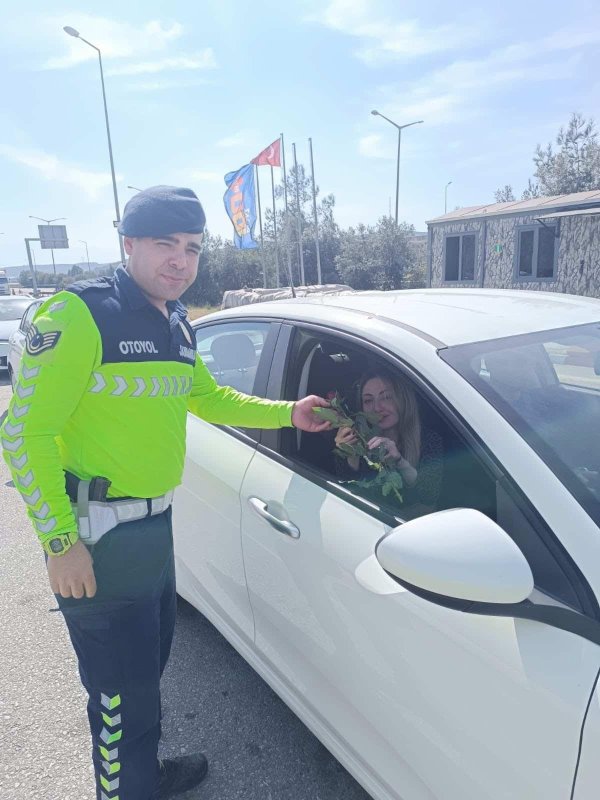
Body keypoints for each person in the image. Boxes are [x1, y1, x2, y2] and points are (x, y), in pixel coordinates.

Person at [0, 186, 331, 800]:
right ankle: (127, 788)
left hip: (154, 533)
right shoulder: (80, 315)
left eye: (193, 249)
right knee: (117, 699)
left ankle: (143, 776)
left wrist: (290, 412)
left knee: (146, 678)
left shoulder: (177, 320)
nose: (181, 261)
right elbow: (20, 433)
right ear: (128, 245)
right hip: (97, 540)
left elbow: (206, 397)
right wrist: (59, 541)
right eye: (164, 245)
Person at [334, 368, 443, 512]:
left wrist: (399, 461)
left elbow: (428, 496)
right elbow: (347, 493)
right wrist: (350, 454)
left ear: (403, 400)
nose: (377, 408)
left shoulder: (429, 439)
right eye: (368, 400)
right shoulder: (357, 439)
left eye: (386, 397)